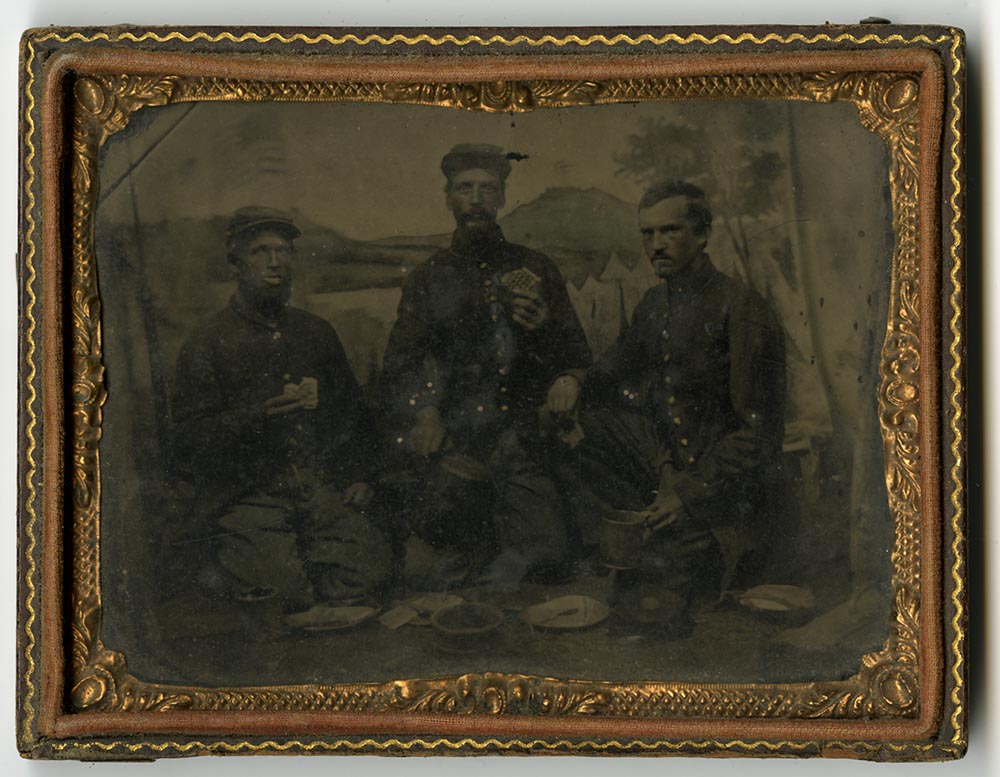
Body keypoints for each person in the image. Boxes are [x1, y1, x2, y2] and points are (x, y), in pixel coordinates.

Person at [545, 181, 786, 637]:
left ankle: (678, 544)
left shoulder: (741, 309)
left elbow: (759, 434)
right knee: (589, 419)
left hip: (723, 490)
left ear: (703, 233)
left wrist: (688, 493)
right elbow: (613, 368)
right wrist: (573, 378)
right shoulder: (655, 305)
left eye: (669, 231)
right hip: (671, 469)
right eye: (647, 234)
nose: (656, 245)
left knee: (655, 591)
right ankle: (639, 526)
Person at [379, 144, 592, 588]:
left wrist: (549, 338)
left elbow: (576, 357)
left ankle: (501, 549)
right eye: (464, 188)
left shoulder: (535, 267)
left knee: (551, 558)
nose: (476, 198)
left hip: (522, 438)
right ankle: (480, 546)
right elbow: (401, 362)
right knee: (428, 570)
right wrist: (424, 411)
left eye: (487, 188)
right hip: (455, 441)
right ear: (448, 198)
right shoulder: (428, 278)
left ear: (501, 198)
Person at [171, 206, 391, 624]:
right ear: (236, 263)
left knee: (371, 572)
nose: (275, 262)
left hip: (315, 486)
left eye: (283, 251)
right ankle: (262, 559)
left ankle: (298, 560)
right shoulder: (208, 342)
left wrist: (360, 474)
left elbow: (352, 413)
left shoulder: (315, 332)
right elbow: (187, 439)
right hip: (248, 494)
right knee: (283, 595)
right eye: (259, 251)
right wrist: (254, 416)